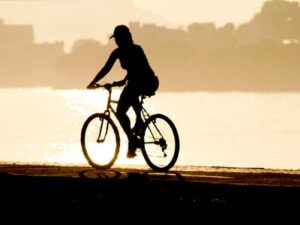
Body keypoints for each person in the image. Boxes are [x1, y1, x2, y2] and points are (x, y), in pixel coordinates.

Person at [87, 24, 158, 158]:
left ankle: (133, 139)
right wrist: (93, 82)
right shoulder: (117, 52)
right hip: (136, 82)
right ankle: (137, 127)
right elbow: (106, 68)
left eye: (118, 38)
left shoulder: (136, 50)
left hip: (148, 81)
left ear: (123, 38)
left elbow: (139, 69)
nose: (116, 41)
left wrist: (124, 80)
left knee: (120, 110)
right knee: (131, 91)